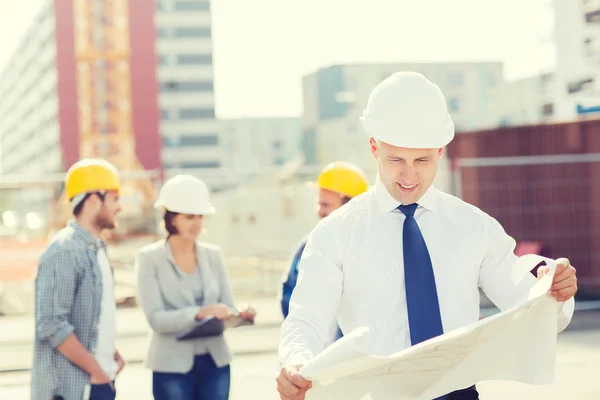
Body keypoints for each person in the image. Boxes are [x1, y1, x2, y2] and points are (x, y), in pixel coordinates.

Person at [276, 72, 578, 400]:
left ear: (440, 151)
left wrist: (552, 289)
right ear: (374, 148)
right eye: (395, 160)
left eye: (421, 160)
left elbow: (522, 290)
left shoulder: (473, 226)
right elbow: (306, 318)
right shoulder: (335, 234)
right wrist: (296, 362)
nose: (409, 175)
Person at [136, 174, 256, 400]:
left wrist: (239, 313)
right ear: (170, 217)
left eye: (201, 216)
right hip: (171, 367)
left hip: (215, 363)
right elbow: (156, 319)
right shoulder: (149, 259)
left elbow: (226, 306)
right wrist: (200, 313)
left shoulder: (213, 255)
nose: (197, 224)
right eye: (190, 217)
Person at [32, 158, 125, 400]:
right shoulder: (65, 249)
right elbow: (51, 323)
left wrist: (109, 352)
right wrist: (96, 371)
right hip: (73, 389)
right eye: (115, 198)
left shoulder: (97, 249)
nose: (120, 207)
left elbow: (90, 316)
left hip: (99, 381)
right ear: (94, 199)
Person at [280, 162, 368, 341]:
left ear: (348, 207)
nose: (320, 211)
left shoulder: (373, 246)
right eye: (318, 204)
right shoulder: (307, 246)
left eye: (326, 204)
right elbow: (289, 298)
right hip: (319, 353)